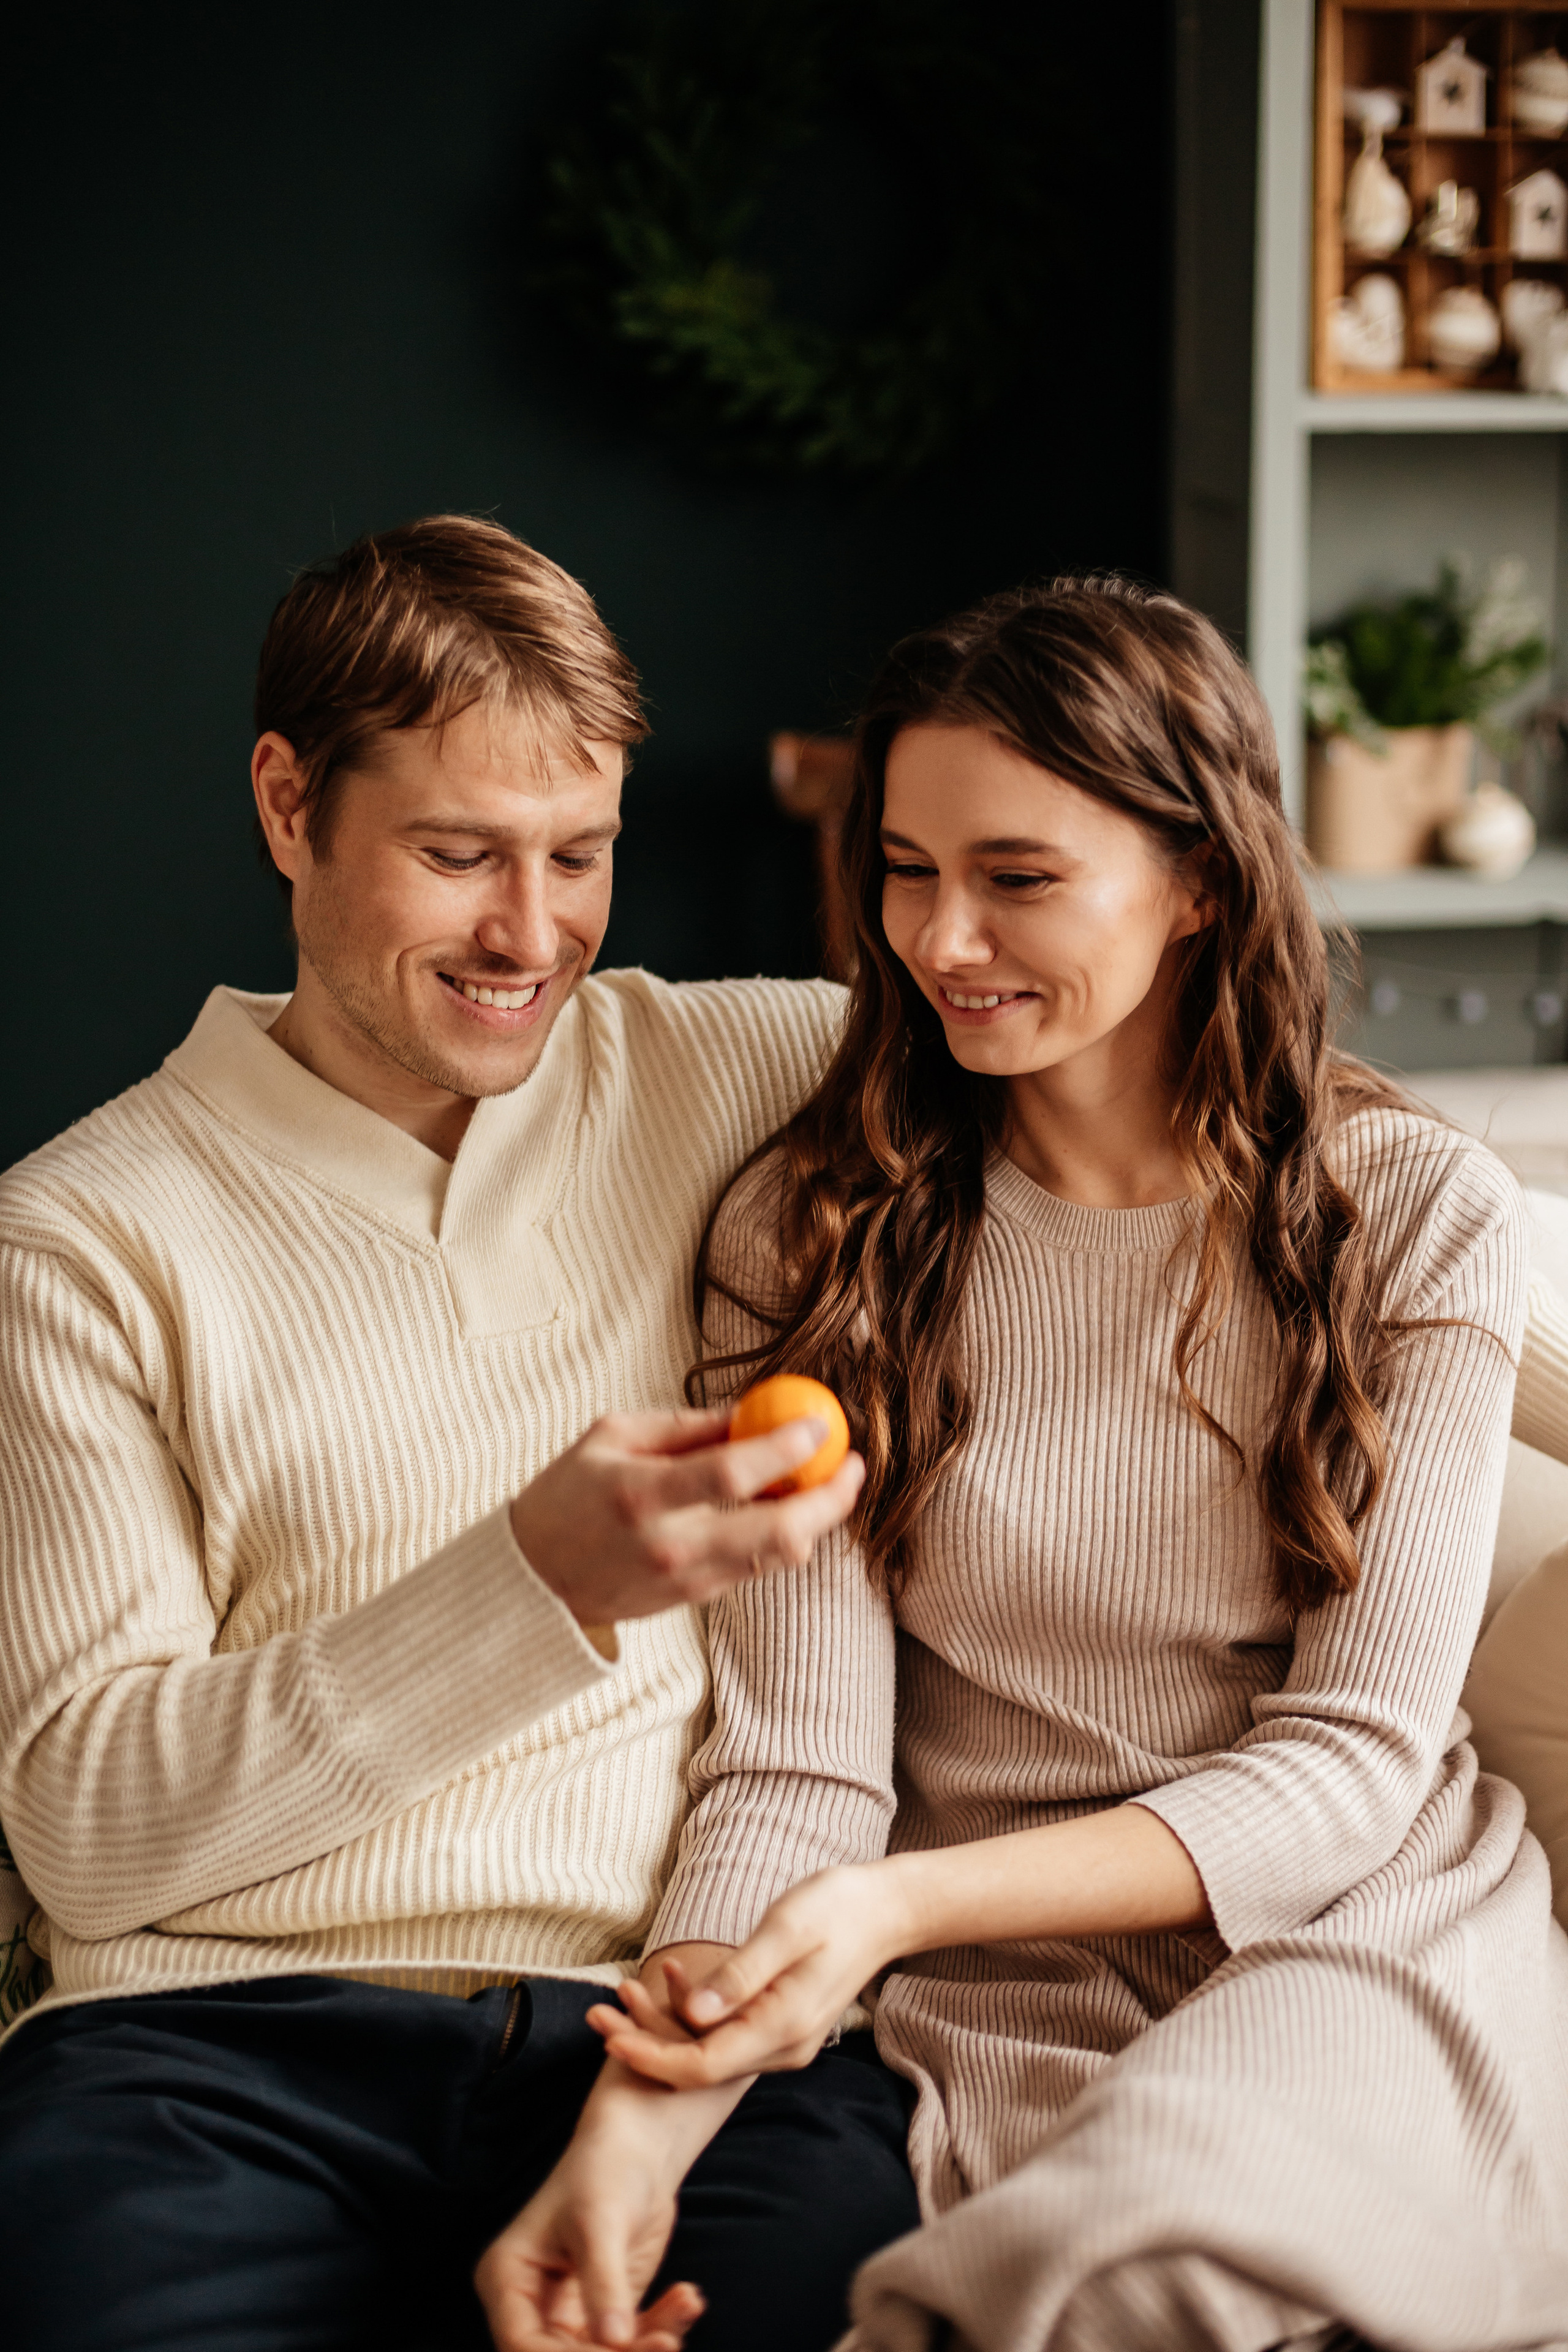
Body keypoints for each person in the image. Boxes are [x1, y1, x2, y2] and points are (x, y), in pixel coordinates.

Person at [540, 576, 1568, 2352]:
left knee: (1135, 2274)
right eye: (906, 869)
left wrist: (892, 1908)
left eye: (1017, 878)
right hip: (988, 1988)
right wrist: (632, 2132)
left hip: (1362, 1934)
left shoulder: (1412, 1217)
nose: (940, 940)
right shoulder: (812, 1235)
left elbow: (1350, 1770)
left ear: (1200, 884)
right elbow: (796, 1771)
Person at [0, 515, 920, 2352]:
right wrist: (533, 1584)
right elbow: (87, 1827)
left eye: (579, 856)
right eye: (456, 856)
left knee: (836, 2271)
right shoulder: (78, 1238)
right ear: (287, 806)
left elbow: (1231, 1119)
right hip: (206, 2056)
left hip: (651, 2037)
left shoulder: (724, 1072)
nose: (532, 933)